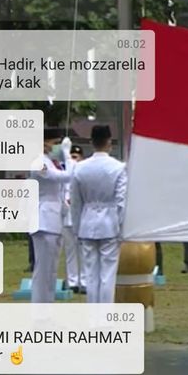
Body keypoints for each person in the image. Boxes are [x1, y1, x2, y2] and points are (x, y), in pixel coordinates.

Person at [71, 125, 127, 303]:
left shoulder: (79, 168)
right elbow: (121, 202)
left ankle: (93, 317)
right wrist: (121, 226)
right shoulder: (118, 168)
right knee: (107, 275)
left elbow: (76, 203)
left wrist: (76, 228)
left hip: (87, 222)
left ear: (91, 142)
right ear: (109, 142)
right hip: (110, 223)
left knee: (90, 274)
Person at [29, 129, 73, 303]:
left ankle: (46, 311)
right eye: (54, 142)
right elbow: (66, 177)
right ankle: (39, 313)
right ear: (43, 143)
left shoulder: (51, 161)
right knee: (43, 272)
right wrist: (68, 156)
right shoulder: (39, 163)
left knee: (51, 271)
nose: (56, 146)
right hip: (44, 220)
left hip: (54, 220)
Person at [62, 145, 87, 294]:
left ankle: (84, 281)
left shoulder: (83, 173)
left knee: (83, 251)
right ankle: (73, 281)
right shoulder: (64, 174)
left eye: (76, 157)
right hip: (66, 218)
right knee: (70, 251)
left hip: (81, 217)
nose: (73, 160)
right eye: (71, 157)